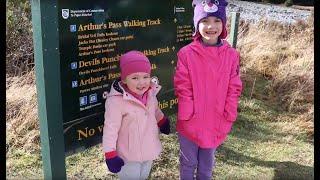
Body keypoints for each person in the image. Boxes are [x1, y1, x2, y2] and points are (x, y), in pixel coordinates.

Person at [173, 0, 243, 179]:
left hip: (216, 119)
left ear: (223, 24)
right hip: (191, 120)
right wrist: (187, 113)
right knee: (188, 163)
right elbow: (183, 85)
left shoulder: (232, 55)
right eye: (205, 21)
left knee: (206, 165)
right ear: (197, 24)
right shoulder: (186, 54)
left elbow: (234, 87)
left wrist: (230, 110)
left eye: (216, 20)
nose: (211, 26)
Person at [102, 50, 170, 180]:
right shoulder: (116, 101)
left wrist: (162, 121)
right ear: (124, 79)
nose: (142, 82)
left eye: (145, 77)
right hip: (128, 156)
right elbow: (110, 130)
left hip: (148, 149)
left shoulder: (150, 93)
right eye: (135, 78)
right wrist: (110, 154)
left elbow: (155, 110)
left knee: (143, 177)